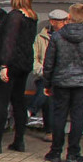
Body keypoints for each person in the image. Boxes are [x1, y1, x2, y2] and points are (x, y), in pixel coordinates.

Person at [43, 3, 83, 162]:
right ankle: (73, 153)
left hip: (61, 81)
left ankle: (55, 152)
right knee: (78, 117)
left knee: (59, 116)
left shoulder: (57, 37)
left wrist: (47, 83)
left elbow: (49, 63)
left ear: (69, 17)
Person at [0, 0, 39, 153]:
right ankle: (19, 140)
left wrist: (3, 65)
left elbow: (9, 40)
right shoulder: (31, 16)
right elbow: (9, 21)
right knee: (18, 102)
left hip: (10, 64)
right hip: (24, 64)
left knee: (2, 102)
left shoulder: (15, 16)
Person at [29, 9, 69, 138]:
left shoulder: (68, 37)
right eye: (61, 21)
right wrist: (42, 71)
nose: (64, 23)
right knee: (48, 90)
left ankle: (31, 111)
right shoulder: (40, 37)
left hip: (62, 76)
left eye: (65, 21)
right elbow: (34, 58)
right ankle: (51, 131)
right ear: (52, 22)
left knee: (48, 90)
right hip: (45, 74)